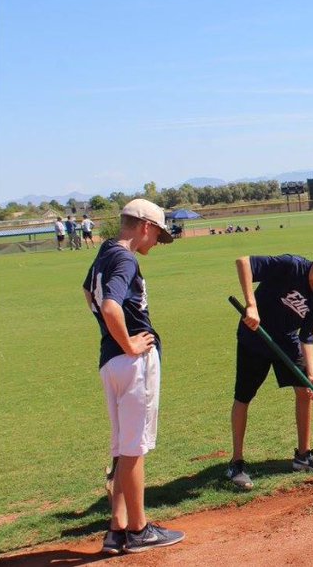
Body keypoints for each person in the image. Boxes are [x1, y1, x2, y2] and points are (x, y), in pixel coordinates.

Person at [82, 199, 185, 554]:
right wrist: (128, 343)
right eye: (157, 234)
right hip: (132, 362)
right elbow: (110, 305)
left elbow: (88, 292)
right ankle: (139, 530)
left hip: (110, 362)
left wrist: (112, 338)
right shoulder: (126, 258)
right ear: (144, 226)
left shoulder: (105, 253)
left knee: (123, 448)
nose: (156, 241)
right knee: (135, 449)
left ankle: (117, 528)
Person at [226, 241, 313, 490]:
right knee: (243, 397)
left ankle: (303, 456)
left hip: (286, 342)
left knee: (305, 390)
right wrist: (251, 305)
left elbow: (306, 336)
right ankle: (236, 463)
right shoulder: (291, 266)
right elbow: (243, 262)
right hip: (255, 337)